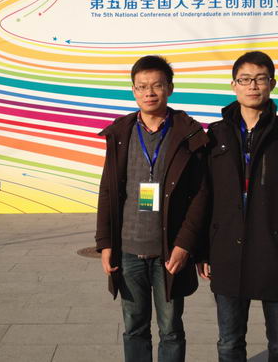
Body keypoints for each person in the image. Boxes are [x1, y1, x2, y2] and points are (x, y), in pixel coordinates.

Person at [199, 51, 278, 362]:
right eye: (245, 79)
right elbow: (204, 195)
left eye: (260, 79)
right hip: (227, 251)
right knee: (229, 344)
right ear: (233, 85)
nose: (252, 86)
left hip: (275, 250)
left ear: (272, 83)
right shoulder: (216, 134)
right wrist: (204, 249)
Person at [96, 55, 209, 362]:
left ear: (169, 88)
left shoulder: (187, 134)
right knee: (134, 327)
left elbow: (201, 196)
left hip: (169, 252)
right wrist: (105, 243)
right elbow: (108, 191)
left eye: (157, 85)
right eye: (142, 86)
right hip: (128, 250)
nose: (149, 92)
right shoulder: (120, 133)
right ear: (133, 90)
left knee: (170, 328)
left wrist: (185, 245)